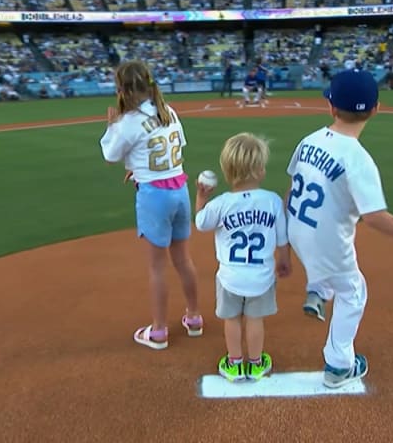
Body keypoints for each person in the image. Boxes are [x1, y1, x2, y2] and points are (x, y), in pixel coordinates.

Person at [285, 69, 393, 389]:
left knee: (328, 270)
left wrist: (284, 245)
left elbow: (290, 191)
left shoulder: (309, 140)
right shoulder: (358, 159)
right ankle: (340, 365)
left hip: (297, 229)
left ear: (330, 106)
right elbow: (375, 217)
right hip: (327, 243)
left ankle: (318, 290)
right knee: (354, 291)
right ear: (375, 110)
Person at [99, 60, 203, 349]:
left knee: (157, 267)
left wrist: (111, 126)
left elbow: (110, 155)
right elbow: (176, 148)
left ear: (122, 89)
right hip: (179, 187)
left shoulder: (128, 121)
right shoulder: (167, 111)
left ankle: (158, 331)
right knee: (183, 259)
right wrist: (140, 167)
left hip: (154, 194)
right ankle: (194, 318)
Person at [194, 133, 289, 383]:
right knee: (255, 320)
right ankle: (256, 364)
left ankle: (234, 363)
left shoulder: (221, 203)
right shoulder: (272, 201)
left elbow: (201, 223)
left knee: (232, 320)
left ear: (227, 171)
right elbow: (282, 238)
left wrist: (202, 197)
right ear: (260, 170)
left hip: (229, 278)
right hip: (262, 277)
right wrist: (284, 259)